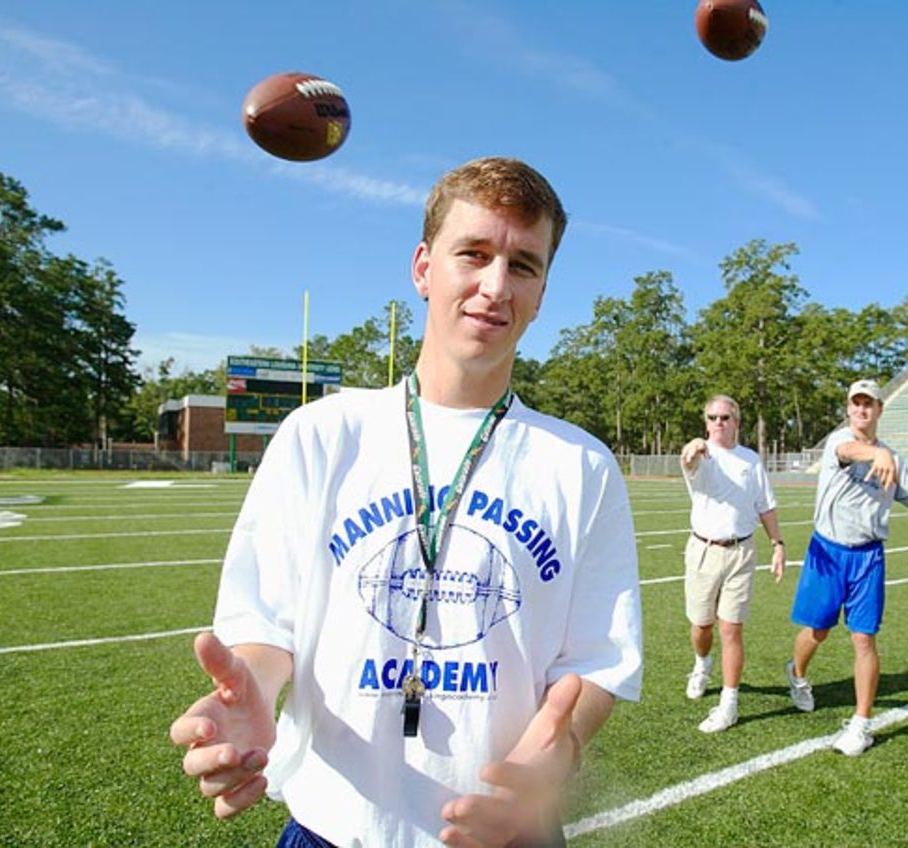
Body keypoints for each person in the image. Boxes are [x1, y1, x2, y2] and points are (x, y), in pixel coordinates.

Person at [169, 157, 643, 847]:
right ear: (424, 268)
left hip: (506, 831)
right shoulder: (322, 434)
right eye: (472, 254)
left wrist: (562, 751)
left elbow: (597, 662)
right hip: (336, 823)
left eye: (523, 265)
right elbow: (267, 622)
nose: (493, 286)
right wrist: (256, 693)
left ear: (541, 293)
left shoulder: (581, 465)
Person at [784, 379, 908, 756]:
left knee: (864, 637)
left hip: (868, 555)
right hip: (828, 550)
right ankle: (798, 673)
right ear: (848, 409)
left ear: (879, 410)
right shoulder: (840, 442)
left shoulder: (894, 458)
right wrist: (876, 456)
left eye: (868, 404)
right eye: (855, 404)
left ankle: (861, 723)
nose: (861, 410)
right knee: (817, 630)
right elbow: (848, 450)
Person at [679, 394, 786, 734]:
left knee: (731, 628)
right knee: (702, 627)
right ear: (706, 422)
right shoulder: (701, 455)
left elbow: (764, 505)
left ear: (737, 423)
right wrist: (694, 448)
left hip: (741, 551)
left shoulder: (751, 461)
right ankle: (701, 664)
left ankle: (729, 702)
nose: (719, 422)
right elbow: (689, 461)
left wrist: (778, 543)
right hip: (704, 551)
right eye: (712, 417)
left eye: (726, 417)